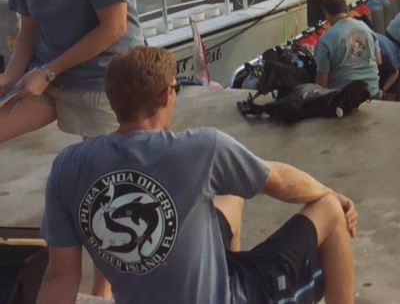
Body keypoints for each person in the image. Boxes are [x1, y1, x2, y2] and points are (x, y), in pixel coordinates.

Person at [37, 45, 357, 304]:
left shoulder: (68, 166)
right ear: (165, 96)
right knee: (329, 208)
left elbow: (61, 276)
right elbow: (280, 180)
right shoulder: (200, 148)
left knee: (231, 194)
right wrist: (337, 195)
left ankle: (223, 273)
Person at [0, 0, 144, 297]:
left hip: (102, 77)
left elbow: (114, 27)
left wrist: (46, 71)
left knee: (104, 192)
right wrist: (10, 77)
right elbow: (28, 29)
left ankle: (103, 290)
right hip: (49, 75)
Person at [315, 0, 381, 99]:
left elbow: (322, 80)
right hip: (372, 91)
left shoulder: (326, 39)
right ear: (346, 10)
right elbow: (378, 60)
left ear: (327, 14)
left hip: (344, 98)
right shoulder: (366, 28)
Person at [375, 33, 400, 99]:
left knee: (389, 98)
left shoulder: (387, 53)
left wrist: (383, 90)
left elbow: (395, 72)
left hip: (393, 67)